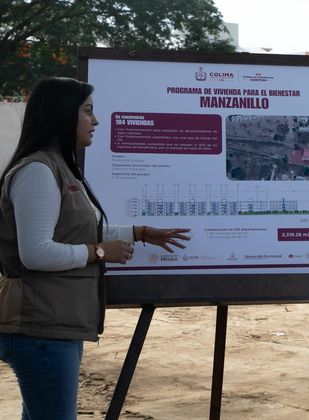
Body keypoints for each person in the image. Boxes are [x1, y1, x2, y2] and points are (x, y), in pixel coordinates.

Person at [0, 77, 191, 419]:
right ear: (61, 115)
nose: (96, 121)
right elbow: (37, 252)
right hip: (40, 327)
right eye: (88, 111)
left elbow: (78, 229)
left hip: (54, 323)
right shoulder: (37, 173)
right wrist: (100, 252)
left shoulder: (59, 168)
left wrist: (141, 233)